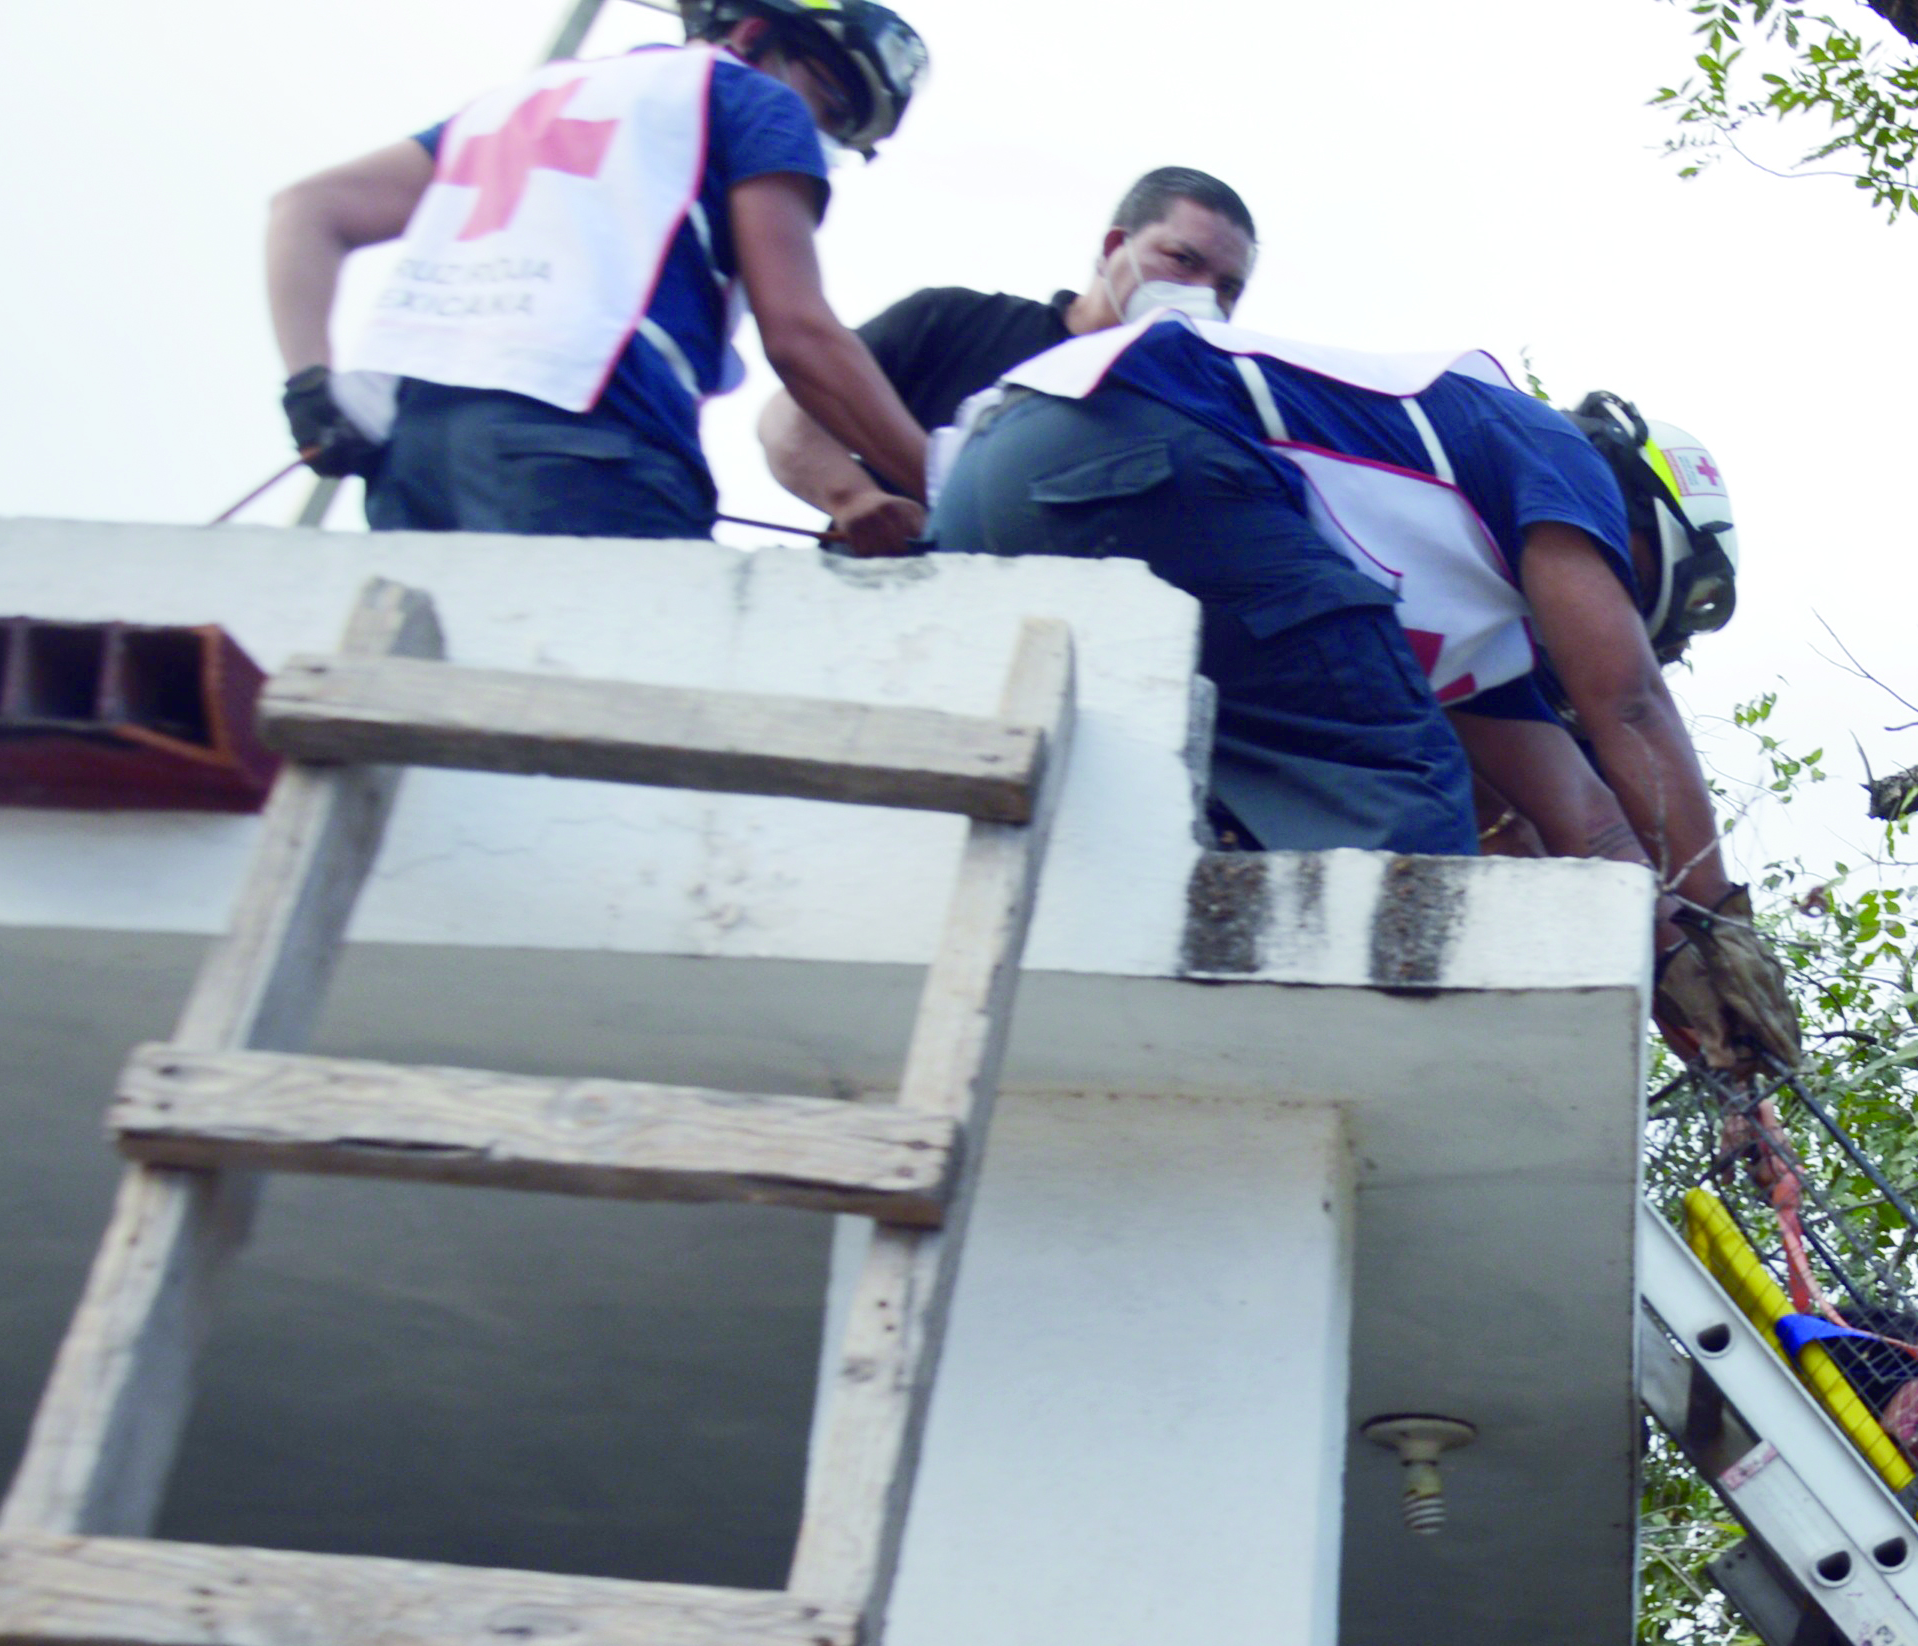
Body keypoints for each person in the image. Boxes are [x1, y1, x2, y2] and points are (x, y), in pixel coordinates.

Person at [934, 307, 1794, 1068]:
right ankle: (1387, 1077)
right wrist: (1724, 927)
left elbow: (1589, 830)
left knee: (1236, 790)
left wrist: (1693, 1001)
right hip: (1131, 444)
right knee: (1411, 796)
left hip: (987, 486)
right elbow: (1630, 703)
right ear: (1645, 521)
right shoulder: (1561, 456)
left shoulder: (1469, 645)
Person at [265, 3, 931, 545]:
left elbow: (309, 208)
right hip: (589, 444)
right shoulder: (750, 97)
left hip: (414, 455)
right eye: (832, 100)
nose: (820, 133)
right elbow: (799, 335)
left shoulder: (529, 97)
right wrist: (946, 485)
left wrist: (312, 391)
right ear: (755, 32)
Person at [754, 166, 1259, 558]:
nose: (1202, 296)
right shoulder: (954, 322)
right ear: (1112, 248)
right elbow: (791, 415)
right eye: (1182, 260)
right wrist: (853, 497)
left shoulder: (1201, 425)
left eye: (1227, 288)